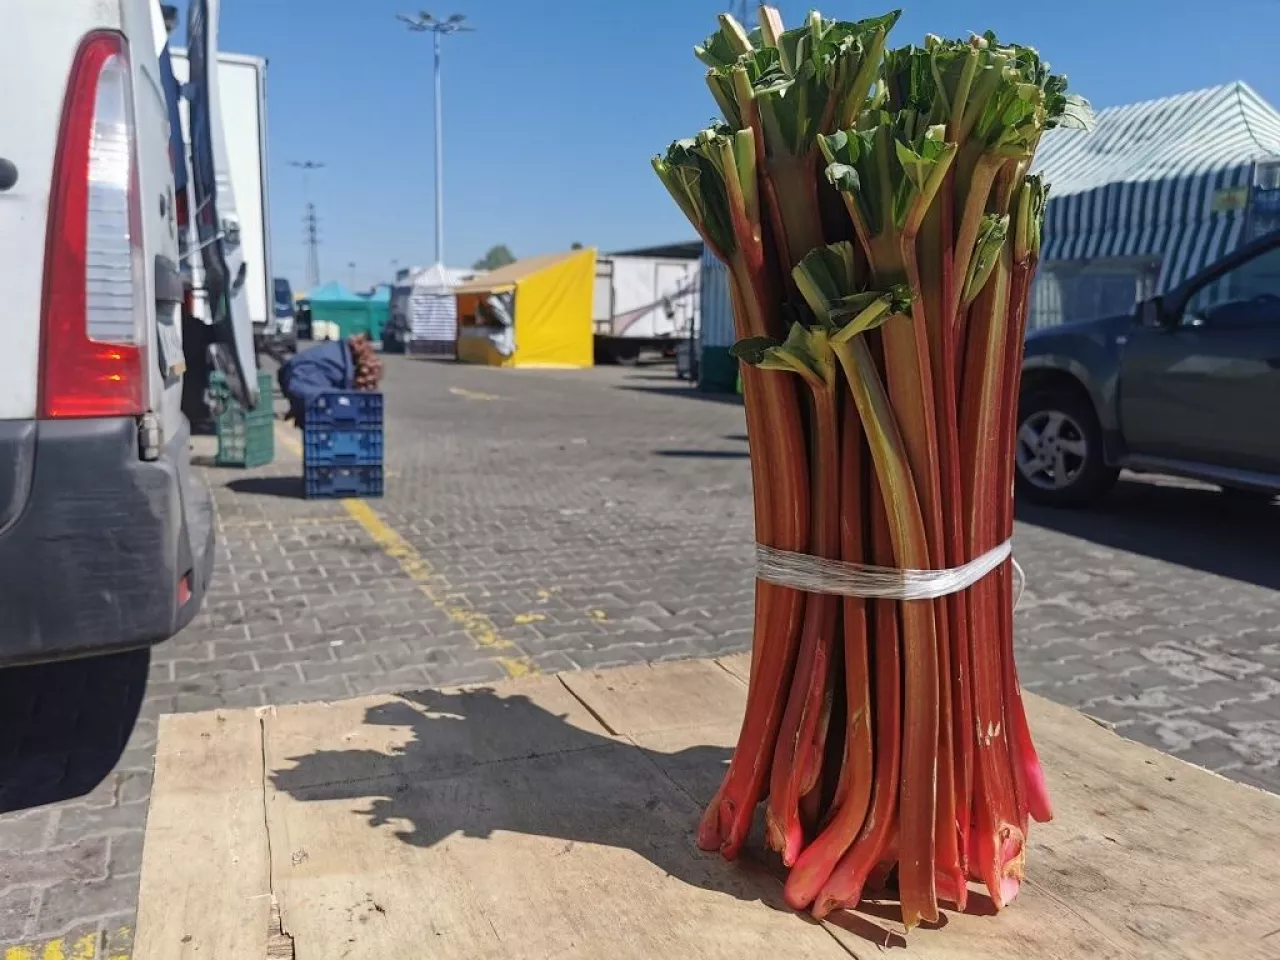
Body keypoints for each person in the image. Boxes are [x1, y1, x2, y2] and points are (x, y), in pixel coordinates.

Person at [278, 334, 383, 427]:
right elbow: (309, 389)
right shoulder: (337, 369)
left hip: (291, 374)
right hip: (297, 378)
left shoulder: (337, 353)